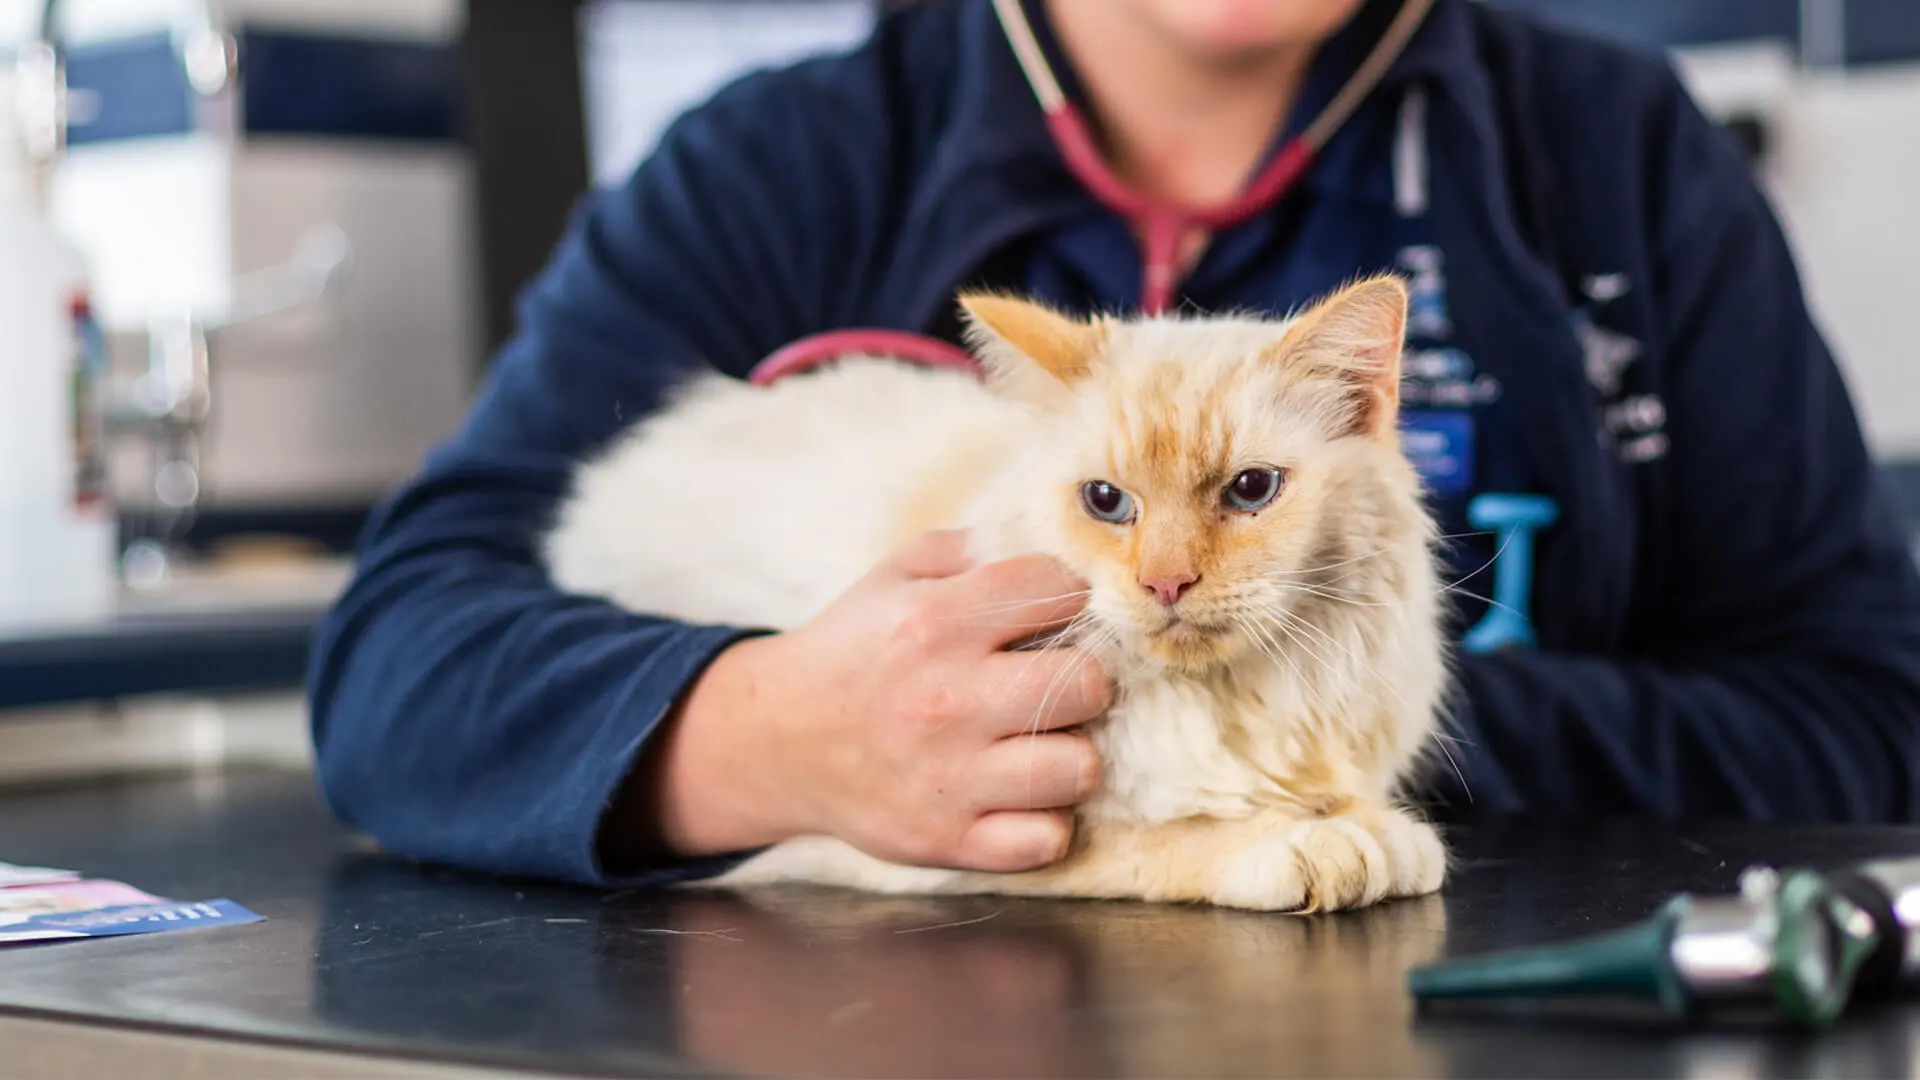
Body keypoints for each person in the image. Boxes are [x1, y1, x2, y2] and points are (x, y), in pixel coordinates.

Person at [306, 0, 1920, 887]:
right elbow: (400, 668)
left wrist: (1332, 737)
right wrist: (770, 738)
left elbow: (1865, 717)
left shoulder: (1620, 150)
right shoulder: (775, 166)